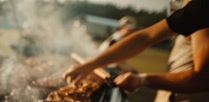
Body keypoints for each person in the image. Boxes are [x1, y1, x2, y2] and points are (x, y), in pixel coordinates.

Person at [64, 0, 209, 94]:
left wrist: (143, 79)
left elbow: (201, 78)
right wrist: (91, 64)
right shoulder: (197, 9)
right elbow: (145, 37)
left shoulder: (203, 7)